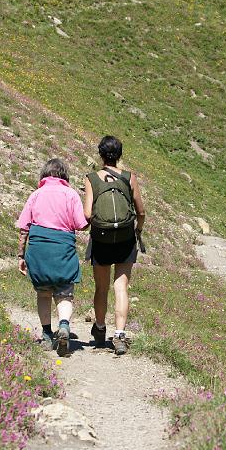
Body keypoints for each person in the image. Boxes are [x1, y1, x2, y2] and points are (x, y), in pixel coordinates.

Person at [17, 158, 88, 356]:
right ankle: (64, 326)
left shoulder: (36, 194)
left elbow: (24, 228)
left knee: (43, 293)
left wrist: (21, 256)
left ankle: (47, 335)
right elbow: (81, 224)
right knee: (64, 293)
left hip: (39, 249)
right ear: (65, 175)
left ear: (44, 174)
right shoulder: (71, 194)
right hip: (63, 248)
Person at [83, 136, 145, 355]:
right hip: (125, 238)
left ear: (101, 154)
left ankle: (100, 328)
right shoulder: (130, 178)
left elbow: (88, 213)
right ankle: (119, 335)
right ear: (120, 155)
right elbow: (141, 211)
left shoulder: (91, 178)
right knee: (121, 287)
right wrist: (138, 230)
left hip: (101, 238)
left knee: (101, 287)